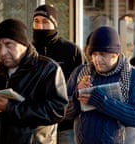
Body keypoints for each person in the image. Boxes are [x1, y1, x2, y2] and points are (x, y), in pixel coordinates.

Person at [0, 19, 68, 144]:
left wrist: (9, 108)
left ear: (24, 45)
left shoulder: (48, 69)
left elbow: (57, 111)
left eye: (8, 44)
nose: (2, 52)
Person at [65, 26, 135, 144]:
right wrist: (77, 96)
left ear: (115, 54)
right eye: (94, 54)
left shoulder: (134, 76)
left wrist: (101, 101)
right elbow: (63, 112)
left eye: (102, 54)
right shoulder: (80, 73)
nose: (97, 59)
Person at [32, 5, 84, 143]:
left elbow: (83, 84)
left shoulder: (71, 51)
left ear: (54, 23)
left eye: (45, 22)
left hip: (66, 127)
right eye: (36, 21)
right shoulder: (28, 52)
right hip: (38, 127)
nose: (40, 27)